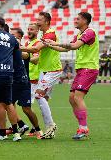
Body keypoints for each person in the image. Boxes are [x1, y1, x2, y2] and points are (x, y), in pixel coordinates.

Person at [42, 12, 99, 140]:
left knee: (78, 97)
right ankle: (81, 127)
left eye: (78, 18)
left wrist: (55, 43)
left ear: (85, 20)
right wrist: (51, 45)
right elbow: (66, 49)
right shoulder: (79, 34)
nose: (75, 20)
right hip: (81, 69)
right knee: (71, 98)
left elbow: (74, 46)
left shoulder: (89, 32)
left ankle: (84, 129)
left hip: (89, 68)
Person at [21, 12, 62, 139]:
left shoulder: (50, 34)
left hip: (53, 70)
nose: (37, 21)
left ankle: (51, 125)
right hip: (46, 71)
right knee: (44, 99)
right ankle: (48, 130)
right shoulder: (45, 34)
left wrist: (17, 47)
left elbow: (35, 50)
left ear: (47, 21)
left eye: (39, 20)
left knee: (38, 95)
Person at [10, 27, 42, 139]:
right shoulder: (8, 47)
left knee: (26, 108)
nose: (11, 36)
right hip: (12, 82)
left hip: (23, 82)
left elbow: (27, 56)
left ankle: (38, 129)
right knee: (7, 104)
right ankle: (17, 127)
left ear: (19, 37)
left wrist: (18, 48)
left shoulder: (24, 49)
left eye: (13, 35)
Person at [24, 23, 43, 138]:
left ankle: (37, 130)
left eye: (32, 29)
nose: (29, 31)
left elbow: (36, 59)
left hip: (34, 78)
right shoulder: (27, 43)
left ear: (37, 31)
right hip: (26, 77)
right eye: (28, 29)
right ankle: (33, 128)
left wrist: (26, 57)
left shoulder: (37, 43)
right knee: (27, 106)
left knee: (27, 106)